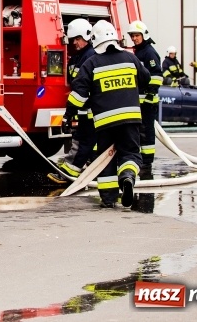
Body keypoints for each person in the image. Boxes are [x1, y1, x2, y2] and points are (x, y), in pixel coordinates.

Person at [63, 20, 150, 208]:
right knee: (130, 154)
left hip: (104, 123)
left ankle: (109, 199)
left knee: (105, 159)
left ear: (94, 40)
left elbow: (78, 94)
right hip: (130, 119)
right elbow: (147, 79)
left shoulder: (91, 63)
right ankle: (127, 177)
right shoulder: (130, 58)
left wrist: (68, 115)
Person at [48, 18, 96, 185]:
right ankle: (89, 169)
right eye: (73, 39)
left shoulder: (90, 56)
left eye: (78, 39)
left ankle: (70, 172)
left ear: (87, 37)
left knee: (83, 142)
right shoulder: (77, 58)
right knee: (85, 142)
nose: (75, 42)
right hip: (83, 110)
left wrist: (69, 114)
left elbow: (82, 89)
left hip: (90, 110)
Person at [127, 21, 163, 173]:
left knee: (147, 133)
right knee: (138, 132)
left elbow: (157, 76)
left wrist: (150, 94)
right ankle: (141, 160)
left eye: (137, 35)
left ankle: (147, 163)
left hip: (147, 102)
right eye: (132, 36)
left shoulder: (149, 53)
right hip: (139, 101)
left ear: (144, 35)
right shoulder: (139, 52)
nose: (134, 38)